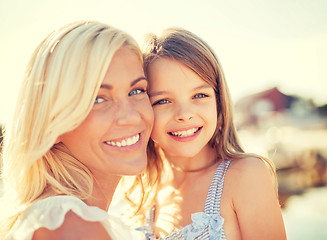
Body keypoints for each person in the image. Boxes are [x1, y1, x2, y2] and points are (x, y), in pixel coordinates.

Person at [125, 28, 287, 239]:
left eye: (199, 95)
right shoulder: (144, 194)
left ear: (219, 103)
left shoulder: (245, 175)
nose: (184, 114)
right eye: (163, 101)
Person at [0, 21, 154, 240]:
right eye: (98, 99)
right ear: (53, 124)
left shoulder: (62, 218)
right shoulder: (71, 226)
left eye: (137, 90)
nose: (130, 116)